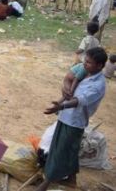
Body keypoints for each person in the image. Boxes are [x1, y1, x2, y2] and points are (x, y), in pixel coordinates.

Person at [36, 47, 108, 191]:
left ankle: (45, 184)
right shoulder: (85, 71)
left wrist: (61, 106)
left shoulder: (98, 85)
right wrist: (65, 88)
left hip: (75, 122)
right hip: (66, 117)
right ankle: (71, 179)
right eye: (85, 61)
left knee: (59, 152)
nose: (85, 64)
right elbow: (68, 78)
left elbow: (79, 100)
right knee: (70, 150)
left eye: (89, 62)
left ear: (99, 66)